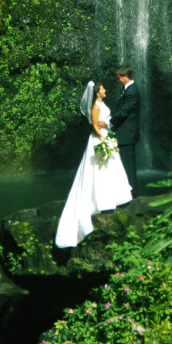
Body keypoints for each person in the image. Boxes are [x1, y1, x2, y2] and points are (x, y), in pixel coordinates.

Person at [54, 80, 132, 249]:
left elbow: (105, 121)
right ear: (97, 92)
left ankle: (114, 197)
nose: (105, 91)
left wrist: (108, 129)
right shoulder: (95, 106)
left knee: (110, 167)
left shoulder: (102, 104)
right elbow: (94, 125)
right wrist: (103, 137)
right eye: (103, 89)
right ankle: (99, 201)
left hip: (107, 135)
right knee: (98, 169)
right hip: (99, 139)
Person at [109, 64, 140, 195]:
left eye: (119, 77)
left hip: (126, 135)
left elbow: (123, 112)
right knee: (125, 165)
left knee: (128, 166)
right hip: (124, 134)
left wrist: (108, 122)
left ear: (126, 76)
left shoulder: (131, 92)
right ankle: (127, 193)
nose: (117, 80)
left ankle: (132, 195)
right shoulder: (127, 89)